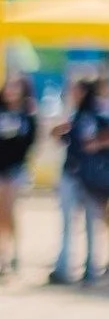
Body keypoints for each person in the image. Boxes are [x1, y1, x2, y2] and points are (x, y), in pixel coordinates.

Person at [52, 75, 109, 284]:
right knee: (72, 222)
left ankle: (90, 267)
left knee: (91, 222)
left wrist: (97, 143)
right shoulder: (78, 114)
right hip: (74, 173)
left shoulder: (102, 111)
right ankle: (66, 267)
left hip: (92, 177)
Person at [0, 72, 38, 275]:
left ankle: (13, 251)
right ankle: (3, 253)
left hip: (16, 169)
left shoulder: (27, 114)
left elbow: (31, 143)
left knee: (9, 210)